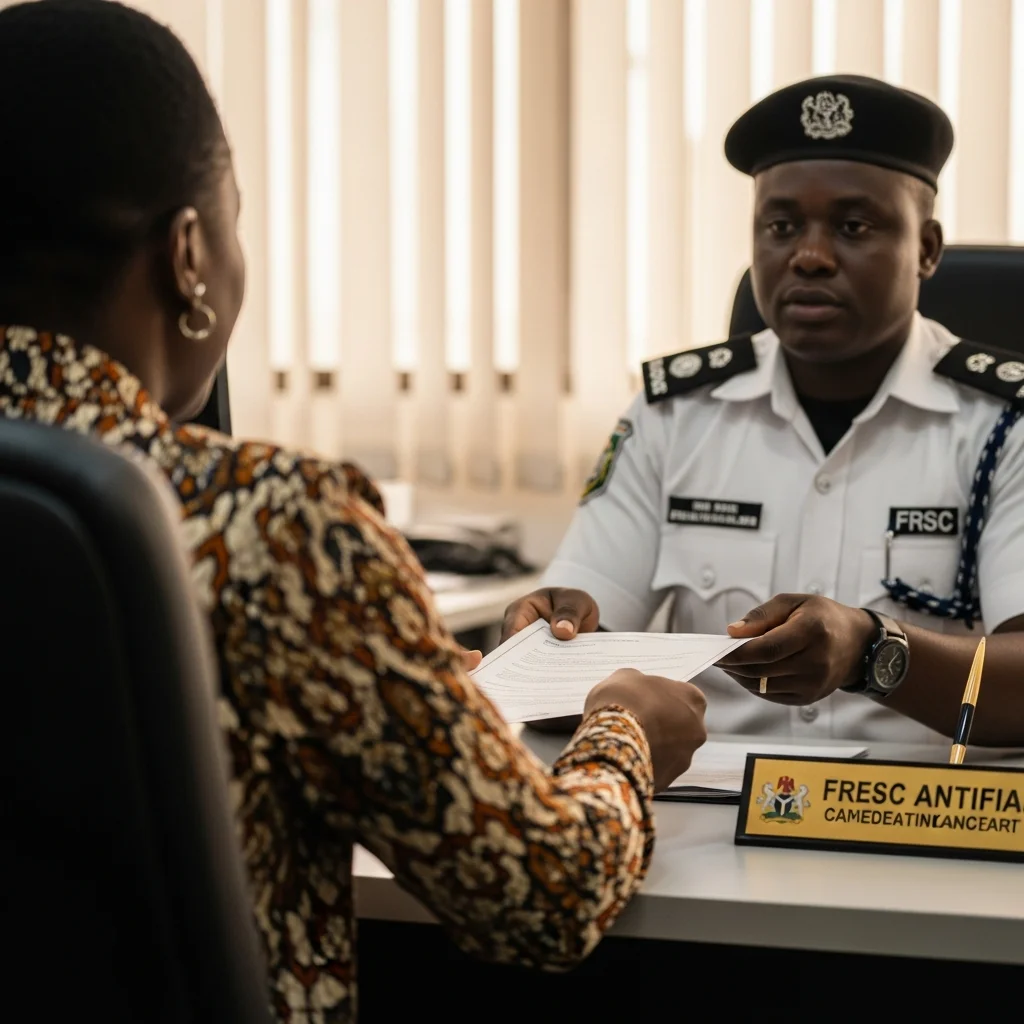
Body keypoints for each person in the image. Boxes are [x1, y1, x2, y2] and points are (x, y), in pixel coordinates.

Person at [0, 3, 708, 1021]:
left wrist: (410, 673)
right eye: (235, 218)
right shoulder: (279, 530)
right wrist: (621, 731)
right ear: (190, 254)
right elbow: (543, 897)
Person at [504, 75, 1024, 748]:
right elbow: (554, 682)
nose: (808, 257)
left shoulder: (1006, 425)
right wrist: (546, 649)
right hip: (704, 816)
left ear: (925, 249)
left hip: (924, 821)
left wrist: (874, 652)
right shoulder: (676, 415)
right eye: (781, 227)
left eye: (853, 226)